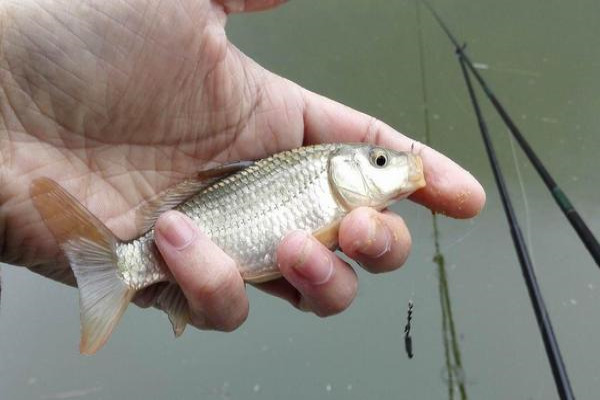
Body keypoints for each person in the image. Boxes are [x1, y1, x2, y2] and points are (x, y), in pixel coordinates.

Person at [0, 0, 485, 332]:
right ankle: (124, 267)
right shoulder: (318, 175)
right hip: (164, 232)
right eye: (379, 161)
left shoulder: (338, 195)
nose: (391, 166)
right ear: (343, 168)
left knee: (307, 262)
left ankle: (126, 267)